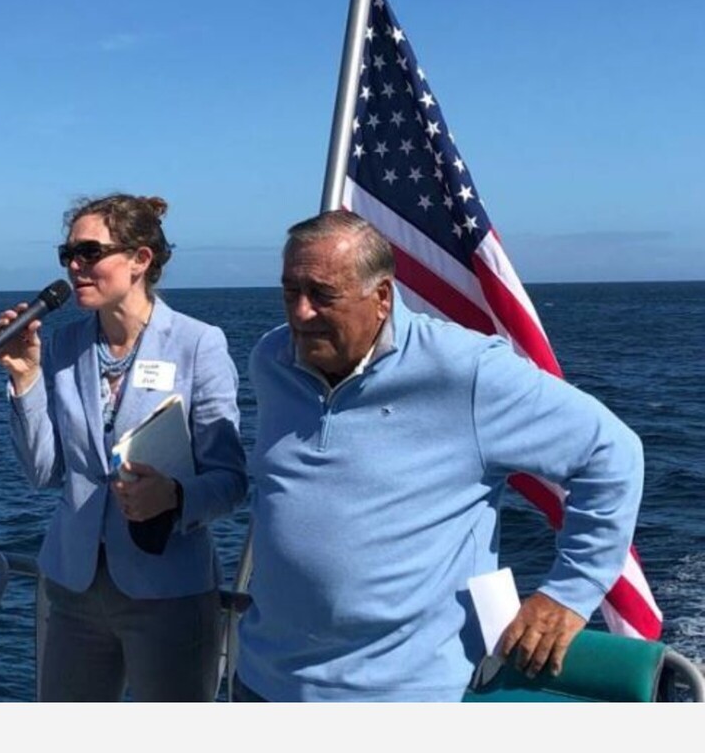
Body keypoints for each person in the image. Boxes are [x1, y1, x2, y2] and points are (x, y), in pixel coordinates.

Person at [235, 211, 644, 702]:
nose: (300, 314)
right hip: (264, 679)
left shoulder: (465, 371)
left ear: (382, 297)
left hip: (401, 694)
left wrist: (570, 593)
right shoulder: (272, 360)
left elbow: (612, 452)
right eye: (290, 292)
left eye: (322, 295)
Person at [0, 193, 247, 701]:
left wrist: (174, 496)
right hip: (74, 588)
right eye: (68, 254)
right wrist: (25, 379)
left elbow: (231, 480)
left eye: (90, 252)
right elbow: (42, 472)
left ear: (140, 259)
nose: (75, 266)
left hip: (168, 589)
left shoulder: (198, 344)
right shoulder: (63, 347)